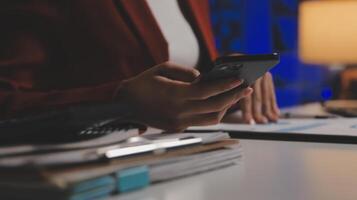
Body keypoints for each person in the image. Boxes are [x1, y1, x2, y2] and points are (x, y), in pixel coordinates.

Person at [0, 0, 279, 131]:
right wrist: (119, 103)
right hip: (99, 170)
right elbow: (7, 99)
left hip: (192, 156)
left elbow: (189, 81)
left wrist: (234, 82)